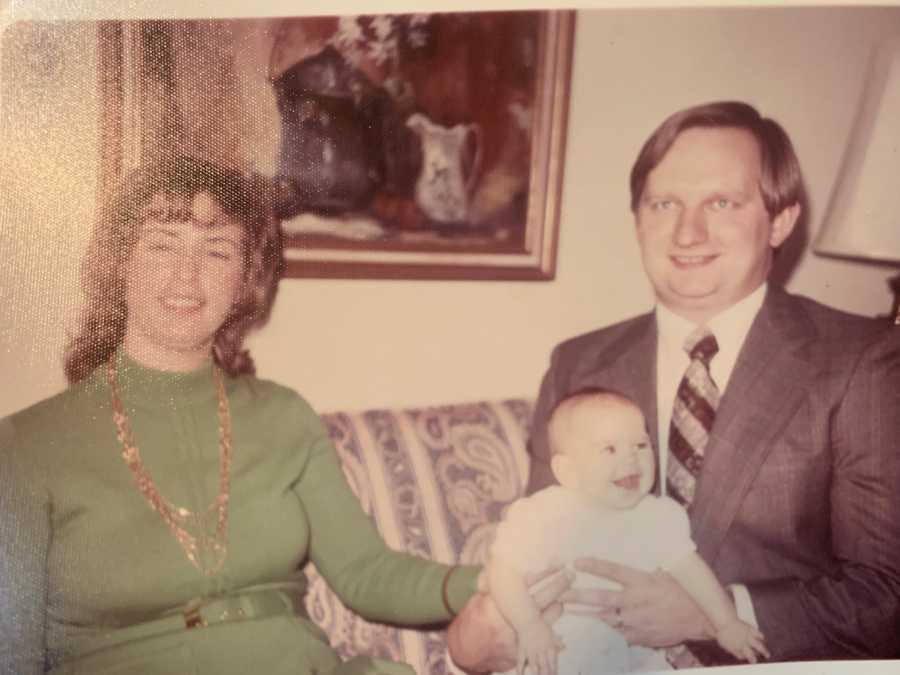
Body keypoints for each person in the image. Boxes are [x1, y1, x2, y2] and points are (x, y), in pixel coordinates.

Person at [448, 100, 900, 671]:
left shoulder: (861, 360)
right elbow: (546, 550)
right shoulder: (578, 364)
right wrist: (486, 630)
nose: (688, 232)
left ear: (780, 220)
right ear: (637, 219)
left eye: (722, 203)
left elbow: (887, 594)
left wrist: (713, 613)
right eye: (664, 204)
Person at [0, 156, 479, 675]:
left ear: (245, 279)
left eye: (217, 251)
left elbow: (367, 572)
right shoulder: (26, 446)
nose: (187, 275)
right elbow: (12, 653)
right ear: (121, 262)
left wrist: (498, 579)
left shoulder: (283, 416)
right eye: (163, 245)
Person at [487, 389, 766, 675]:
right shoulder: (544, 513)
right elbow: (502, 572)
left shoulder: (656, 517)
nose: (631, 459)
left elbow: (693, 572)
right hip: (556, 650)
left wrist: (726, 624)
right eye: (609, 449)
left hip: (634, 656)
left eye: (641, 446)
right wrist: (529, 626)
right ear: (567, 470)